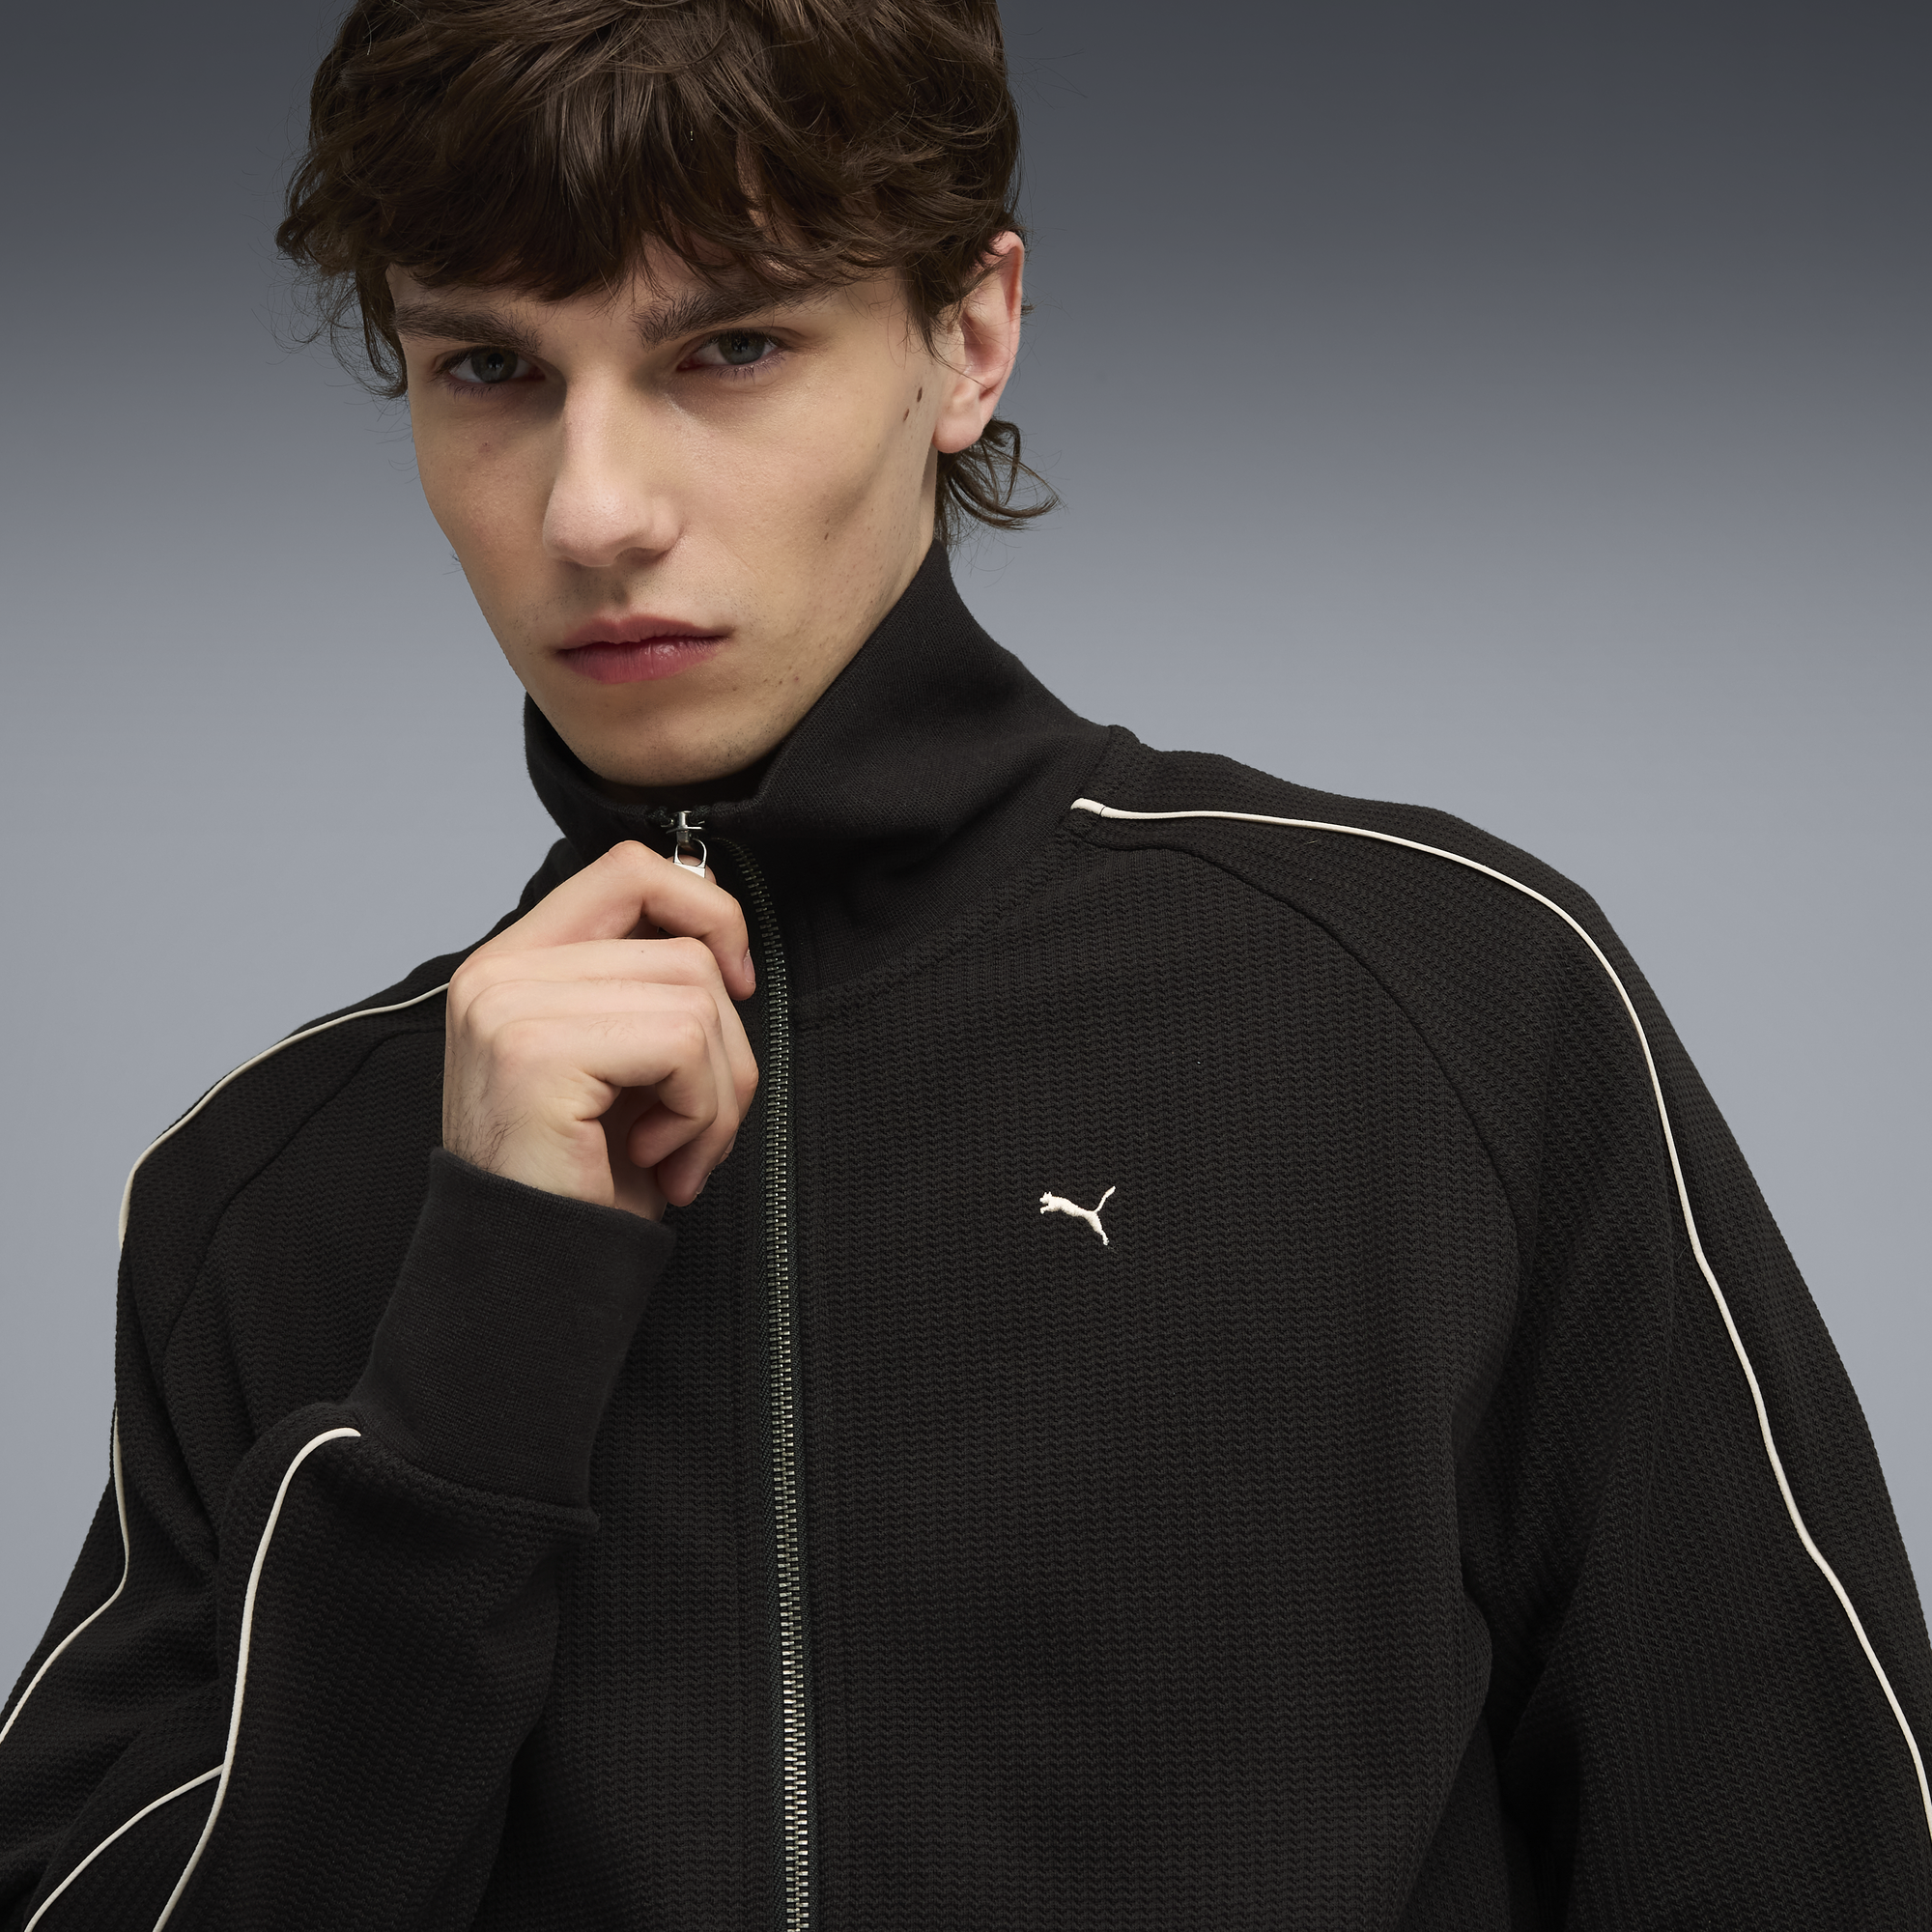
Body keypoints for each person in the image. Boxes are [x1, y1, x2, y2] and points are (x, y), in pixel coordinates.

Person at [3, 0, 1928, 1924]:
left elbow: (1808, 1851)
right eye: (490, 366)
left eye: (729, 348)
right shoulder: (268, 1195)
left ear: (969, 335)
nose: (591, 511)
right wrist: (476, 1358)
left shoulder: (1451, 1011)